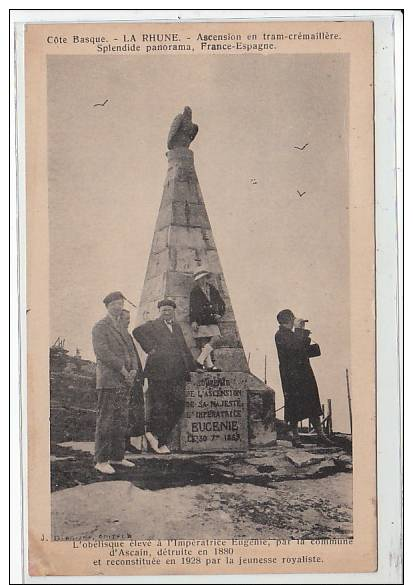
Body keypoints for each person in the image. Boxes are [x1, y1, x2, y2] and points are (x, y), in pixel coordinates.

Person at [132, 299, 197, 453]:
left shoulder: (176, 326)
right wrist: (150, 349)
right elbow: (136, 332)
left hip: (176, 373)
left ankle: (157, 436)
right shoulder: (154, 324)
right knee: (159, 406)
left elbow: (183, 348)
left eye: (169, 310)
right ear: (159, 312)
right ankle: (156, 439)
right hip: (158, 373)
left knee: (179, 405)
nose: (166, 312)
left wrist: (193, 367)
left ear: (173, 311)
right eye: (163, 310)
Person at [91, 291, 137, 474]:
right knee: (106, 420)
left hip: (124, 381)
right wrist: (123, 370)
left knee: (121, 419)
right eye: (114, 304)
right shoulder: (100, 326)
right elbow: (102, 352)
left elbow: (132, 351)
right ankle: (101, 460)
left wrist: (133, 369)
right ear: (107, 307)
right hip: (109, 380)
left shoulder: (122, 328)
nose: (118, 307)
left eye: (120, 304)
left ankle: (117, 457)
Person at [274, 309, 334, 447]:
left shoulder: (292, 335)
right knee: (293, 405)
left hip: (304, 373)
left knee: (313, 403)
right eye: (293, 317)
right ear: (289, 319)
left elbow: (306, 351)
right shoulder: (280, 335)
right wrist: (301, 330)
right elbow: (296, 348)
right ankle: (296, 438)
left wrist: (302, 333)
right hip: (292, 376)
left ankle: (320, 435)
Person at [119, 309, 145, 454]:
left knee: (133, 411)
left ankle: (127, 442)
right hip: (123, 378)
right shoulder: (117, 336)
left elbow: (135, 357)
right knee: (123, 411)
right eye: (125, 319)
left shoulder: (128, 335)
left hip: (134, 378)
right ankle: (120, 444)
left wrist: (139, 375)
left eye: (129, 319)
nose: (128, 322)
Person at [189, 269, 226, 372]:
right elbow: (192, 307)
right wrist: (193, 321)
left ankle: (200, 361)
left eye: (203, 278)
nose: (201, 280)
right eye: (199, 279)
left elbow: (221, 303)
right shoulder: (195, 291)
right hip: (200, 320)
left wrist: (220, 314)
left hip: (212, 319)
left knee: (216, 338)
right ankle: (209, 365)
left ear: (206, 278)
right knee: (204, 341)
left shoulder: (212, 289)